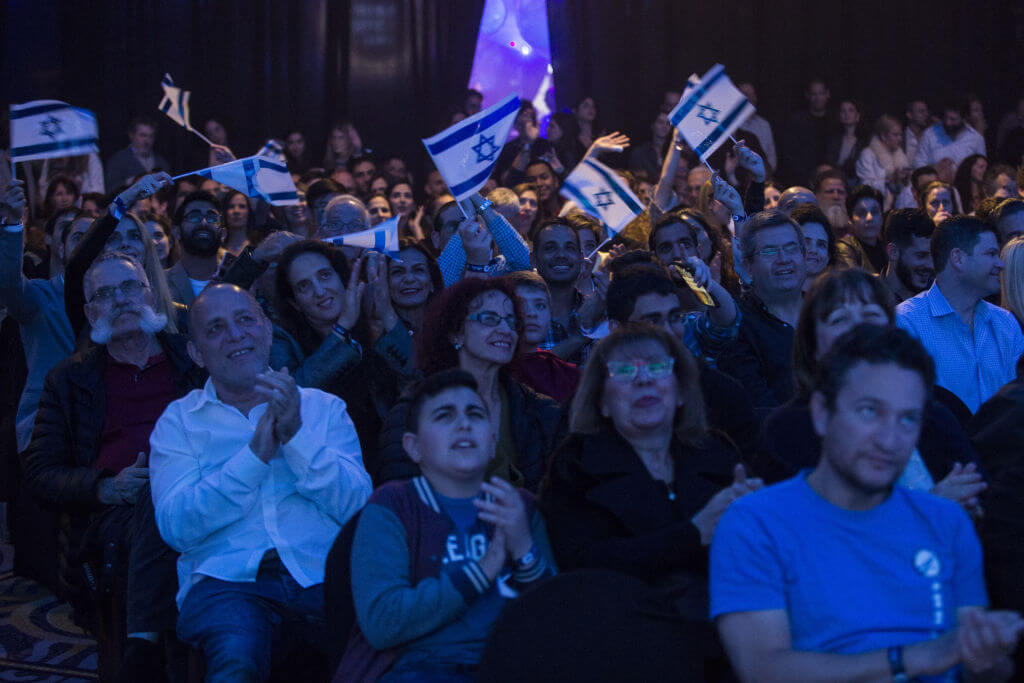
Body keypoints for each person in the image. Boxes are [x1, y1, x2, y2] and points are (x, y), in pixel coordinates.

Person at [712, 324, 1022, 683]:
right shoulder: (756, 525)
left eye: (908, 418)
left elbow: (974, 663)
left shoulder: (946, 522)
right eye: (869, 412)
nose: (890, 440)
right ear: (821, 412)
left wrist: (990, 656)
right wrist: (914, 658)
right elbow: (764, 670)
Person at [149, 283, 371, 681]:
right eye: (215, 329)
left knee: (379, 651)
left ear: (267, 331)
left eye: (245, 320)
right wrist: (253, 459)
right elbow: (177, 528)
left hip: (320, 572)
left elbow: (358, 507)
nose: (235, 335)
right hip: (227, 582)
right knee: (237, 659)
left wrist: (297, 437)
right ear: (196, 353)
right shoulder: (179, 422)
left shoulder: (323, 408)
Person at [540, 324, 760, 680]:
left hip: (726, 636)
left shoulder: (717, 454)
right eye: (624, 371)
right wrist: (691, 535)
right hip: (624, 645)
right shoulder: (577, 463)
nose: (644, 381)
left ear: (680, 393)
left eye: (658, 368)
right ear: (603, 402)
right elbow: (582, 565)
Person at [22, 251, 205, 679]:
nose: (120, 300)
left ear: (150, 294)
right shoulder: (69, 379)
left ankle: (143, 642)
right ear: (90, 312)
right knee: (154, 499)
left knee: (168, 494)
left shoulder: (192, 356)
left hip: (203, 494)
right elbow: (39, 473)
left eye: (129, 287)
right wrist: (105, 486)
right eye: (105, 294)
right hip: (116, 514)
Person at [339, 369, 556, 681]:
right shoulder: (393, 507)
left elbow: (558, 617)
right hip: (419, 669)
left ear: (492, 442)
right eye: (444, 416)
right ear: (413, 447)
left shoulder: (518, 505)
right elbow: (383, 623)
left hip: (511, 665)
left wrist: (524, 549)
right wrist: (484, 569)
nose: (464, 424)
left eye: (475, 414)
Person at [757, 268, 984, 509]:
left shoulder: (936, 413)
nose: (858, 330)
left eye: (870, 315)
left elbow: (979, 494)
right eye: (839, 319)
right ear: (812, 344)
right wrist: (931, 508)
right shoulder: (786, 431)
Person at [376, 277, 563, 492]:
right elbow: (399, 497)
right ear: (456, 332)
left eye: (512, 322)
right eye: (489, 319)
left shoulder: (542, 413)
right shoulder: (412, 412)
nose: (505, 329)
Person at [271, 241, 412, 454]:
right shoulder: (281, 338)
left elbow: (416, 373)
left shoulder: (374, 322)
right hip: (327, 461)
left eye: (325, 275)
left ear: (342, 278)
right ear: (295, 303)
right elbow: (296, 393)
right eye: (304, 286)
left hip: (392, 454)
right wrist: (342, 328)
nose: (319, 291)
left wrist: (386, 310)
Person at [897, 216, 1024, 412]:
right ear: (958, 259)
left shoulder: (1005, 323)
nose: (1001, 264)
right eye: (991, 254)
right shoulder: (907, 324)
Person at [718, 210, 806, 411]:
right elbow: (756, 409)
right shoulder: (737, 327)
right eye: (769, 251)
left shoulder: (828, 312)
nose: (784, 259)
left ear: (804, 255)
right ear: (748, 266)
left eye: (791, 248)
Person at [505, 270, 581, 404]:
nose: (531, 313)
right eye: (520, 305)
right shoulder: (493, 371)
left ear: (550, 313)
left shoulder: (569, 375)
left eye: (540, 305)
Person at [914, 98, 987, 170]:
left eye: (953, 119)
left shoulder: (976, 139)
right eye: (945, 117)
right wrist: (935, 168)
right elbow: (918, 163)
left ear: (964, 118)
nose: (948, 123)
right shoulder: (929, 134)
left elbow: (982, 167)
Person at [782, 78, 830, 186]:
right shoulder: (796, 121)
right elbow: (790, 154)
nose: (817, 98)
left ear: (828, 94)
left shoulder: (835, 122)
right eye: (814, 94)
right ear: (807, 95)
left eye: (821, 93)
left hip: (831, 178)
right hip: (802, 180)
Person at [856, 114, 911, 204]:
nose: (900, 139)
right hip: (874, 203)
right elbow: (864, 186)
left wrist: (906, 178)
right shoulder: (867, 154)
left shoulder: (900, 156)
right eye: (895, 135)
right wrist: (888, 180)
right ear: (883, 136)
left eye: (901, 135)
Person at [105, 118, 170, 192]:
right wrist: (133, 180)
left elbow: (169, 189)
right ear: (131, 135)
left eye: (151, 136)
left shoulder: (161, 162)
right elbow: (111, 189)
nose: (147, 141)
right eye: (142, 135)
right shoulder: (118, 160)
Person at [836, 185, 886, 274]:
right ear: (850, 219)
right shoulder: (845, 248)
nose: (869, 218)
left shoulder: (887, 248)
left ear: (882, 216)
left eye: (875, 212)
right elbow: (855, 282)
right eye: (862, 213)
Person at [790, 205, 835, 292]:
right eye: (806, 242)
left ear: (828, 257)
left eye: (821, 245)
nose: (813, 250)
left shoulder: (837, 300)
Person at [737, 82, 777, 172]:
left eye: (753, 94)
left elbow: (771, 157)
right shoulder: (731, 128)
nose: (751, 99)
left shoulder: (764, 125)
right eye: (746, 95)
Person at [825, 100, 866, 187]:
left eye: (851, 110)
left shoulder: (864, 142)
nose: (847, 114)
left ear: (857, 116)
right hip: (835, 180)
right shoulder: (833, 140)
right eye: (843, 111)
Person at [904, 99, 931, 164]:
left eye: (927, 111)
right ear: (909, 115)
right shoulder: (901, 137)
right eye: (921, 112)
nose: (926, 114)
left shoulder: (930, 137)